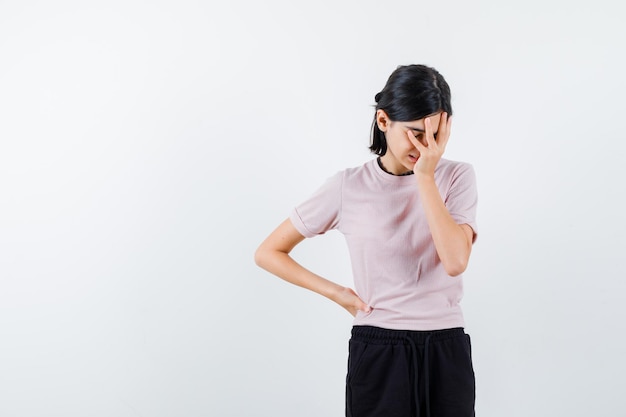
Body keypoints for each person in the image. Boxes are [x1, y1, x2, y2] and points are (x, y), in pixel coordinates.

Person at [254, 64, 478, 417]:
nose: (426, 146)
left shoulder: (456, 177)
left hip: (445, 346)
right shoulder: (348, 186)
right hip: (379, 347)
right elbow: (269, 252)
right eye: (416, 133)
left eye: (436, 135)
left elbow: (454, 261)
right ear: (384, 121)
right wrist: (337, 293)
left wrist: (424, 177)